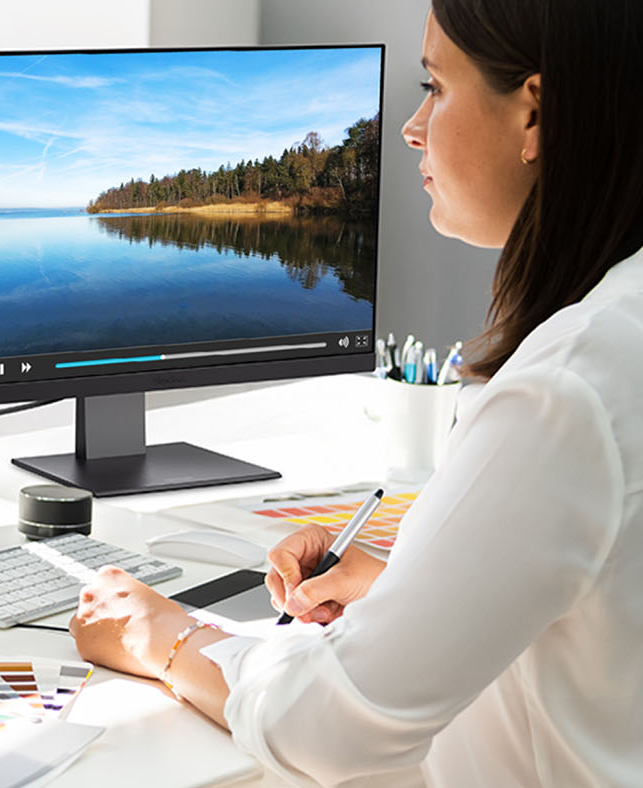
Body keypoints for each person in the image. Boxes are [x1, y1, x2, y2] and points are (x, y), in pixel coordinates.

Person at [67, 0, 643, 784]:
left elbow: (327, 728)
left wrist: (162, 637)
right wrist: (414, 587)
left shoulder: (563, 393)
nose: (411, 127)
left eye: (435, 86)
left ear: (534, 113)